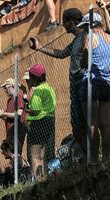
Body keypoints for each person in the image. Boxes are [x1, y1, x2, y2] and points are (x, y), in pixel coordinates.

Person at [32, 8, 86, 151]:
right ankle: (84, 155)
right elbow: (61, 53)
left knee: (86, 120)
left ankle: (90, 154)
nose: (63, 26)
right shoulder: (76, 41)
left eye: (64, 22)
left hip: (83, 83)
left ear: (72, 22)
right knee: (76, 122)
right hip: (74, 85)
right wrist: (40, 48)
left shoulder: (86, 37)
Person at [78, 12, 110, 161]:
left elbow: (86, 55)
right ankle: (106, 158)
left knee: (92, 122)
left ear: (90, 25)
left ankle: (93, 160)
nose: (84, 31)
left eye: (85, 27)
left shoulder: (91, 37)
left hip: (90, 81)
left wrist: (83, 61)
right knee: (106, 124)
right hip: (106, 83)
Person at [25, 64, 56, 180]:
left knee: (34, 154)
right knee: (42, 154)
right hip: (49, 121)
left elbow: (36, 110)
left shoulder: (37, 90)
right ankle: (43, 177)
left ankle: (37, 179)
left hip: (38, 122)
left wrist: (27, 106)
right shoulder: (50, 88)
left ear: (34, 78)